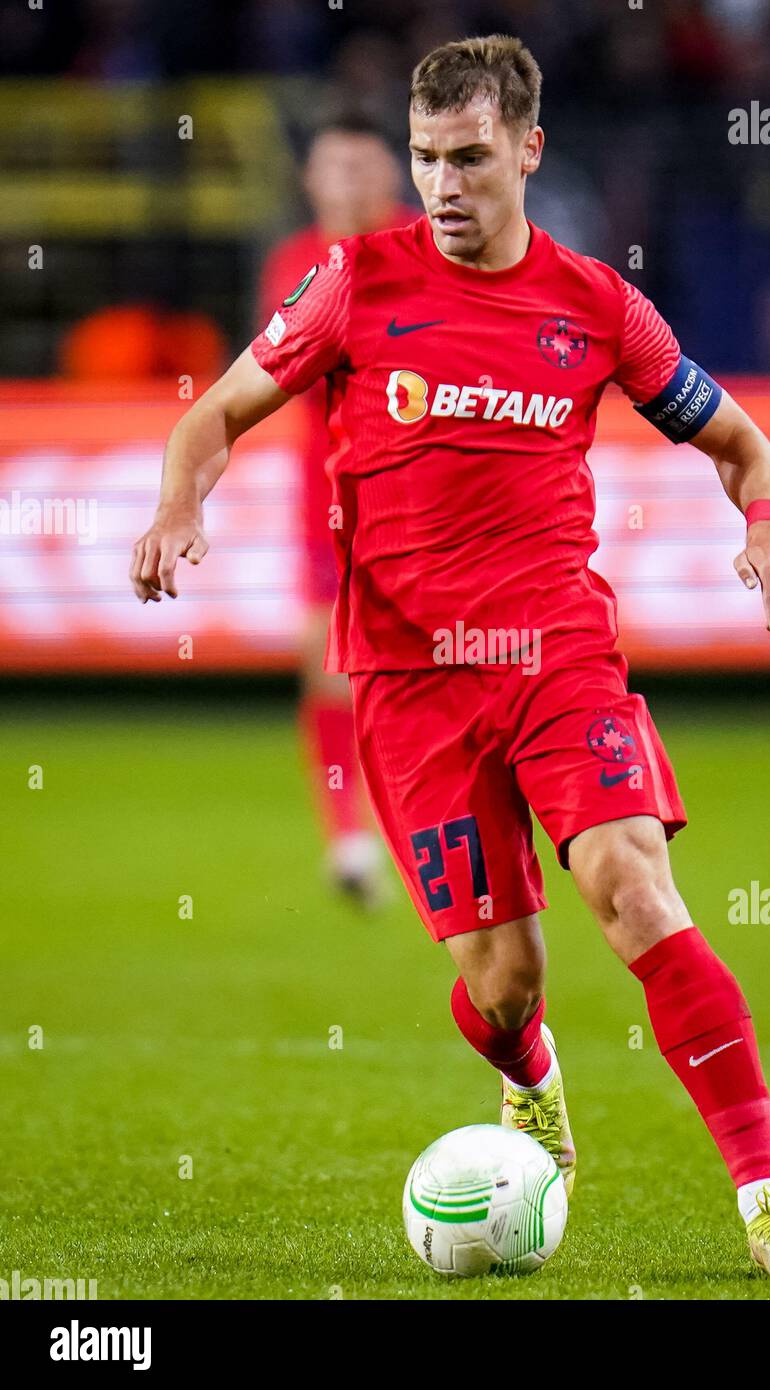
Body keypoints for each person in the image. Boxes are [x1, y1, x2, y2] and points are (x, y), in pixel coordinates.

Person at [130, 35, 770, 1281]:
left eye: (468, 158)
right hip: (409, 688)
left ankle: (768, 1201)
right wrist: (179, 503)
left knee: (632, 889)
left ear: (528, 149)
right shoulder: (353, 282)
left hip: (559, 652)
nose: (444, 186)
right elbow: (214, 412)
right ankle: (535, 1077)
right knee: (506, 982)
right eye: (424, 160)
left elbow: (735, 437)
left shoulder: (593, 304)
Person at [257, 118, 417, 904]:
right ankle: (347, 838)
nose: (348, 183)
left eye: (362, 167)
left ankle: (435, 829)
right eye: (333, 169)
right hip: (327, 496)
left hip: (422, 495)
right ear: (311, 182)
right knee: (325, 663)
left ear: (390, 175)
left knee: (432, 669)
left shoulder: (426, 248)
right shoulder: (293, 264)